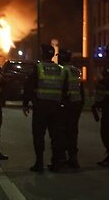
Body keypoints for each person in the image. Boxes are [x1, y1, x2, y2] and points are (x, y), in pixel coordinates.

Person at [22, 44, 66, 172]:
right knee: (56, 136)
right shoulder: (60, 69)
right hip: (56, 107)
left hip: (41, 106)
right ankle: (56, 163)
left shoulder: (38, 68)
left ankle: (39, 163)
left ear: (43, 54)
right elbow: (64, 88)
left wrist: (25, 103)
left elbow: (29, 86)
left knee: (38, 135)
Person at [58, 49, 85, 168]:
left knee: (63, 131)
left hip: (67, 105)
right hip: (76, 104)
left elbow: (61, 89)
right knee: (73, 132)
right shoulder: (76, 70)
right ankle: (73, 158)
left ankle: (63, 158)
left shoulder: (63, 70)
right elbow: (81, 89)